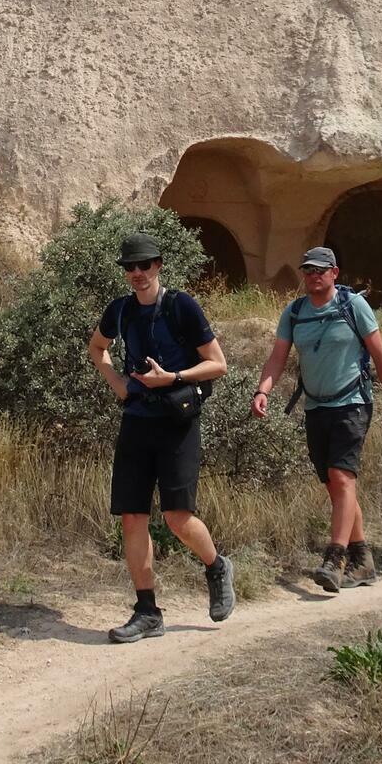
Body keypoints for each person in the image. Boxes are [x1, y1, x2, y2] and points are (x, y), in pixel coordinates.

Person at [88, 231, 235, 643]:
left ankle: (216, 565)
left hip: (177, 422)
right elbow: (97, 348)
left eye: (144, 266)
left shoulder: (180, 305)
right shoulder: (119, 311)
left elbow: (218, 364)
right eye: (130, 267)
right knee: (133, 516)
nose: (137, 273)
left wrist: (172, 377)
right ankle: (147, 611)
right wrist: (117, 382)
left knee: (177, 518)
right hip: (136, 419)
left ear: (159, 265)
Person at [252, 246, 382, 593]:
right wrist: (263, 391)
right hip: (316, 407)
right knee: (335, 485)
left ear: (335, 272)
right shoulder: (294, 312)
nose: (313, 276)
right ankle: (363, 560)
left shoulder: (354, 306)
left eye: (320, 270)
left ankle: (334, 559)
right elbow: (277, 358)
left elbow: (380, 354)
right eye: (308, 270)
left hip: (352, 404)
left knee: (341, 476)